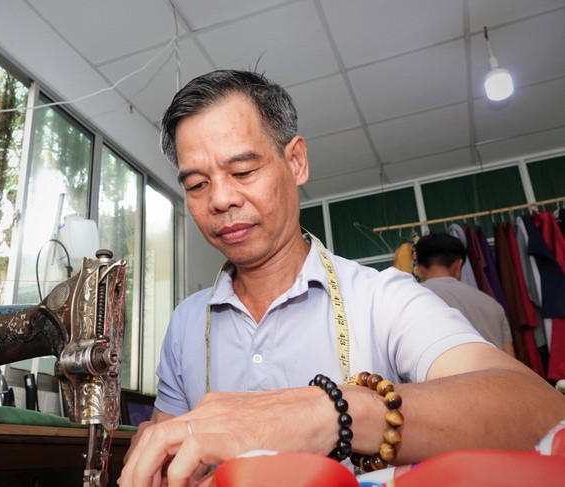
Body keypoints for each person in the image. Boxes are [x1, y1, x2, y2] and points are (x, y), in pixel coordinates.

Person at [119, 70, 565, 487]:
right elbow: (166, 448)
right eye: (196, 185)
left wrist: (330, 411)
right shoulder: (184, 323)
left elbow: (540, 410)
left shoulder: (382, 299)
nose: (219, 199)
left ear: (295, 162)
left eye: (242, 171)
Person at [415, 232, 516, 358]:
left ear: (419, 268)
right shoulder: (493, 305)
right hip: (499, 376)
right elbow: (511, 359)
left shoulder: (410, 302)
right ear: (458, 265)